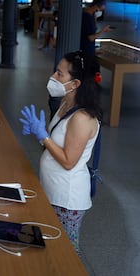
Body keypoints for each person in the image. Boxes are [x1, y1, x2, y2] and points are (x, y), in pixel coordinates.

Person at [19, 51, 102, 255]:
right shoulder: (66, 103)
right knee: (50, 247)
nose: (53, 77)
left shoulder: (82, 117)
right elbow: (57, 145)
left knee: (65, 253)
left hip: (67, 198)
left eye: (59, 74)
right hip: (53, 189)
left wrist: (44, 136)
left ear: (75, 83)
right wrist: (41, 135)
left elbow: (68, 161)